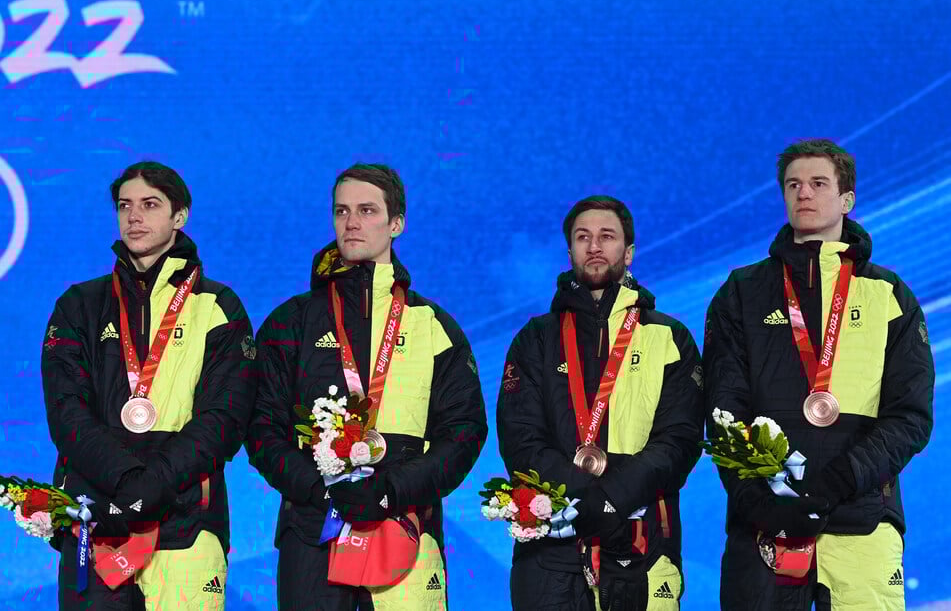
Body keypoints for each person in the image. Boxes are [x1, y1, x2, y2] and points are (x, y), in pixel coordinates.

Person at [703, 138, 934, 610]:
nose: (803, 194)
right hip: (765, 527)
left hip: (863, 518)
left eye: (817, 183)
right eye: (793, 184)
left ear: (846, 199)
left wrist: (834, 484)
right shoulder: (742, 292)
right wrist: (760, 500)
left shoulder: (889, 295)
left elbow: (910, 416)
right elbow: (723, 407)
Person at [247, 163, 487, 610]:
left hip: (405, 520)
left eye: (367, 210)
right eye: (342, 211)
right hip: (312, 527)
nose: (351, 222)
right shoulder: (290, 322)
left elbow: (464, 431)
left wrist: (391, 490)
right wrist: (318, 489)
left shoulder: (434, 325)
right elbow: (261, 428)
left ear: (397, 223)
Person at [42, 161, 257, 608]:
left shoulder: (218, 305)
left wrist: (154, 483)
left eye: (150, 204)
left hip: (186, 519)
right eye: (125, 206)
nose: (134, 216)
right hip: (98, 518)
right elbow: (66, 413)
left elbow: (225, 418)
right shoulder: (79, 304)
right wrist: (127, 481)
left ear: (180, 216)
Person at [497, 196, 704, 611]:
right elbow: (520, 439)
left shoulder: (670, 338)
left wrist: (614, 497)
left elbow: (680, 439)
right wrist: (587, 499)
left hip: (643, 538)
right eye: (582, 237)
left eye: (606, 237)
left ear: (628, 252)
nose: (594, 246)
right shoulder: (535, 338)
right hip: (549, 547)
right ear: (570, 250)